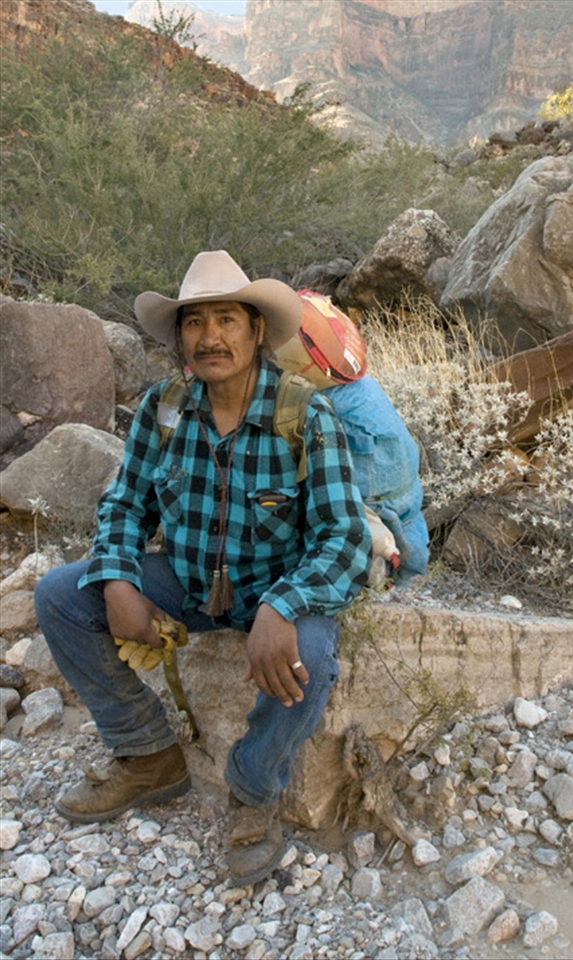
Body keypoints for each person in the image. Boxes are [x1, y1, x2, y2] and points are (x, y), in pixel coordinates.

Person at [34, 250, 372, 885]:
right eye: (195, 323)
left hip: (275, 589)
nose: (210, 337)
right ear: (181, 335)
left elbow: (344, 537)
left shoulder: (304, 414)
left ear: (254, 330)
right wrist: (115, 578)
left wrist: (284, 604)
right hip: (188, 581)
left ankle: (252, 786)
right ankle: (148, 755)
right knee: (58, 594)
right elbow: (124, 503)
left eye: (226, 320)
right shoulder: (166, 408)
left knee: (315, 655)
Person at [273, 289, 429, 582]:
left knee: (362, 534)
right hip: (405, 477)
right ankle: (412, 582)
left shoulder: (320, 401)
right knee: (408, 525)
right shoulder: (365, 386)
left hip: (370, 487)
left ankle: (373, 585)